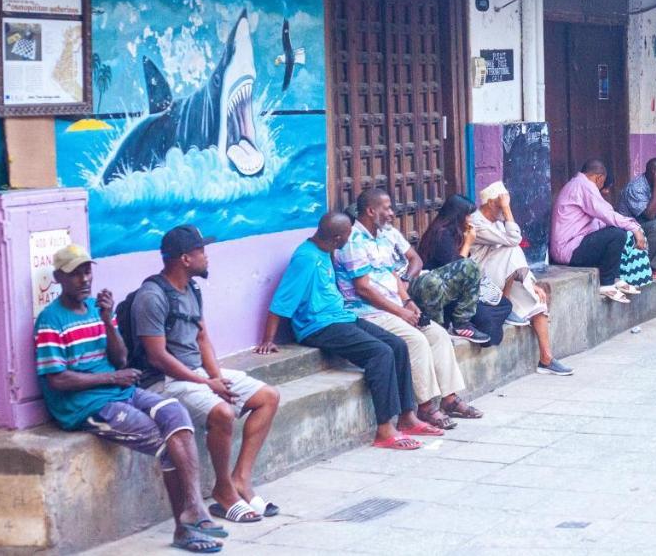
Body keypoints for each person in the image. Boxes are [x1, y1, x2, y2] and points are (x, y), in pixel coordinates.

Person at [35, 244, 224, 553]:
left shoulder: (97, 308)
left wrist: (108, 320)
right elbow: (58, 380)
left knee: (177, 415)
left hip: (120, 390)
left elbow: (121, 359)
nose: (84, 280)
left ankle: (195, 508)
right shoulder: (50, 321)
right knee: (164, 445)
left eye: (87, 271)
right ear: (58, 277)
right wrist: (111, 378)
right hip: (86, 406)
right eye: (74, 274)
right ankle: (183, 528)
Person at [255, 212, 441, 450]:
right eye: (347, 235)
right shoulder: (306, 259)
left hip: (342, 317)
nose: (350, 239)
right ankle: (385, 430)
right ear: (336, 238)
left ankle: (407, 416)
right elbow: (282, 300)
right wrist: (268, 339)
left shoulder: (324, 251)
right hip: (318, 325)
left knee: (397, 345)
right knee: (380, 353)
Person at [134, 225, 281, 523]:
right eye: (202, 251)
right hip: (165, 383)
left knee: (268, 397)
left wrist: (217, 380)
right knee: (223, 413)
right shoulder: (151, 296)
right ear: (185, 258)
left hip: (197, 373)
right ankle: (224, 491)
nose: (207, 256)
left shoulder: (192, 288)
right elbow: (157, 356)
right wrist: (205, 383)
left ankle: (241, 478)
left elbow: (202, 338)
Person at [335, 188, 482, 429]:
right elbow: (364, 289)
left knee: (438, 334)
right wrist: (400, 312)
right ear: (371, 211)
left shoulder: (383, 235)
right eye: (387, 208)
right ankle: (424, 407)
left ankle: (450, 399)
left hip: (394, 305)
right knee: (416, 340)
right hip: (367, 311)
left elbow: (393, 276)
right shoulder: (353, 242)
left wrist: (408, 303)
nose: (393, 213)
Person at [471, 181, 574, 376]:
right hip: (482, 280)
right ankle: (504, 304)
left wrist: (532, 283)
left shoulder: (498, 223)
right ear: (493, 203)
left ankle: (546, 358)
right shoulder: (477, 222)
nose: (504, 208)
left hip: (502, 277)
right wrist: (507, 209)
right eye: (501, 204)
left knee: (537, 302)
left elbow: (513, 256)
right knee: (513, 248)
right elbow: (513, 241)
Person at [550, 159, 652, 303]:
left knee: (617, 231)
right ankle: (607, 283)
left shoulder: (577, 184)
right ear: (599, 178)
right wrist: (635, 228)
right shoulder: (584, 186)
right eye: (602, 183)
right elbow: (607, 214)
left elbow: (600, 220)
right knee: (616, 234)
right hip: (568, 250)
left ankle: (616, 278)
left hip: (572, 246)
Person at [416, 194, 508, 346]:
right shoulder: (441, 236)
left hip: (457, 294)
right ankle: (461, 325)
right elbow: (459, 271)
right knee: (489, 326)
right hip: (444, 296)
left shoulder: (454, 233)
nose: (471, 221)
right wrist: (467, 244)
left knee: (505, 305)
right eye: (468, 216)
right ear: (457, 216)